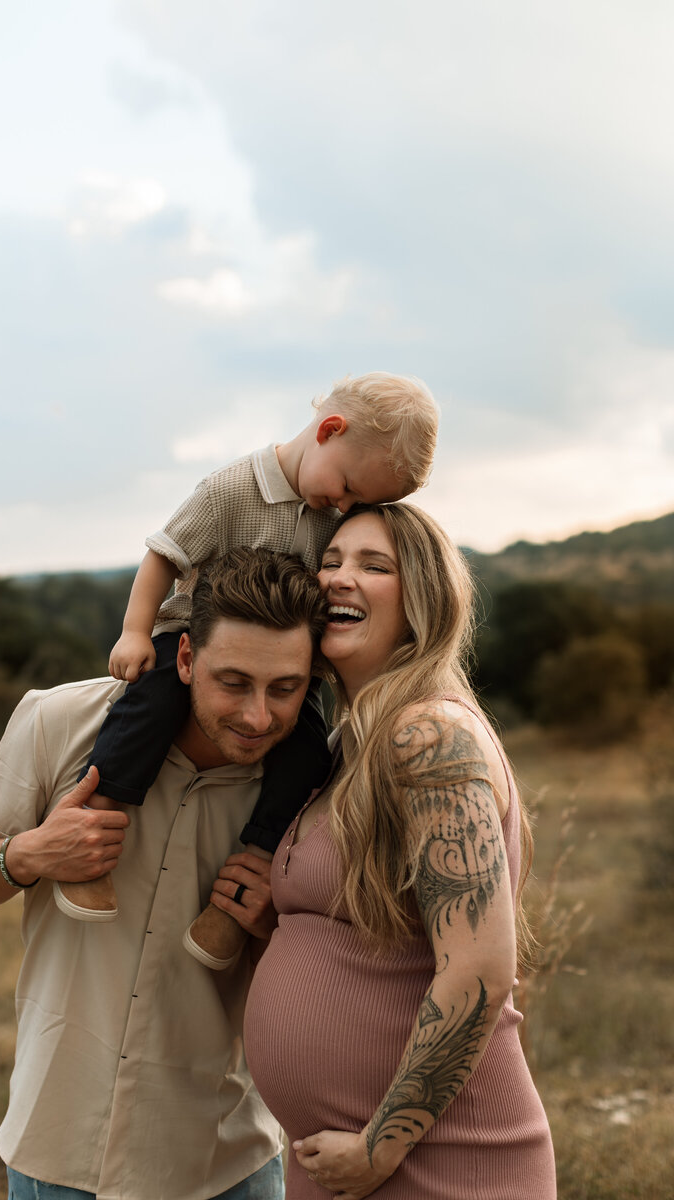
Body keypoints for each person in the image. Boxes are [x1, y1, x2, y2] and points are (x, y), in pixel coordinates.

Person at [0, 548, 329, 1200]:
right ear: (183, 660)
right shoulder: (56, 721)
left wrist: (276, 928)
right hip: (55, 1150)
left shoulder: (319, 791)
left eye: (285, 689)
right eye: (232, 682)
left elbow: (330, 985)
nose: (259, 716)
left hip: (225, 1166)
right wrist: (30, 854)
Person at [61, 373, 439, 972]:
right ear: (328, 431)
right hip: (193, 639)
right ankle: (92, 834)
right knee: (147, 710)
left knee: (309, 753)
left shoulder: (330, 507)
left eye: (355, 502)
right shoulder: (228, 490)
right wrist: (135, 632)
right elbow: (164, 555)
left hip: (286, 668)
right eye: (345, 488)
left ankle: (242, 890)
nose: (342, 506)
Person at [241, 505, 557, 1200]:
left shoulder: (429, 736)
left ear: (424, 600)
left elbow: (479, 971)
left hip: (440, 1161)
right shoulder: (345, 746)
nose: (339, 579)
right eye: (331, 561)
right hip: (339, 1162)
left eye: (373, 566)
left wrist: (381, 1146)